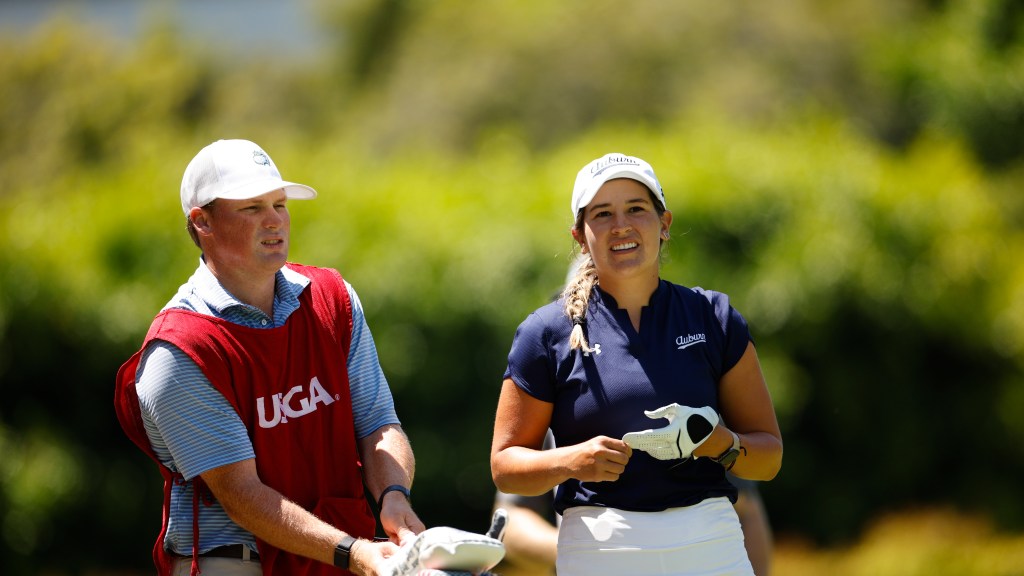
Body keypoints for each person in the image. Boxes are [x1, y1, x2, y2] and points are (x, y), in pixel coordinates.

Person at [114, 139, 425, 576]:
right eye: (251, 208)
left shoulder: (332, 299)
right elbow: (242, 495)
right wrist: (352, 552)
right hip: (236, 562)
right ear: (202, 222)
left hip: (340, 553)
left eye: (280, 204)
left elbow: (377, 422)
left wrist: (394, 496)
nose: (275, 220)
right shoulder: (179, 351)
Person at [490, 153, 783, 575]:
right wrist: (574, 461)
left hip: (712, 547)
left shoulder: (713, 317)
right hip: (598, 552)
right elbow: (505, 467)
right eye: (603, 213)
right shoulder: (545, 332)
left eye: (636, 209)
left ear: (663, 224)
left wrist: (715, 442)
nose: (621, 226)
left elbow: (769, 457)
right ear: (579, 234)